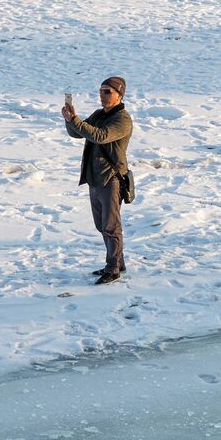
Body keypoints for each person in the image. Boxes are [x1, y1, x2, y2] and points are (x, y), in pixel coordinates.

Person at [61, 77, 133, 285]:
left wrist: (77, 122)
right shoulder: (100, 114)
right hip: (95, 177)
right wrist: (70, 119)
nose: (102, 95)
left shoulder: (122, 119)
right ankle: (118, 262)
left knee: (111, 226)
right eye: (101, 91)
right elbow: (78, 133)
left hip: (111, 178)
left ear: (120, 95)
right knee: (102, 225)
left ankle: (113, 269)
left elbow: (100, 136)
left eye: (107, 92)